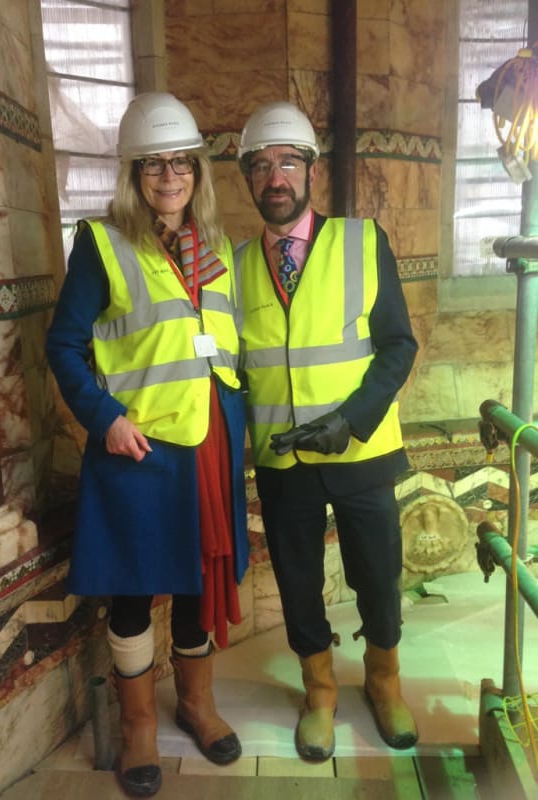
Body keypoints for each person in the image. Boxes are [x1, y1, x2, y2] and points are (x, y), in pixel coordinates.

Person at [46, 91, 249, 797]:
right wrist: (104, 418)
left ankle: (195, 702)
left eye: (181, 163)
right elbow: (64, 345)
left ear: (198, 170)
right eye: (153, 165)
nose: (169, 177)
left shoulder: (218, 247)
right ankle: (138, 726)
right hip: (139, 450)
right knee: (135, 593)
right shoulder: (102, 244)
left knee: (196, 583)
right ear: (133, 174)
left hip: (209, 446)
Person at [234, 101, 419, 760]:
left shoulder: (363, 242)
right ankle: (319, 694)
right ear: (247, 181)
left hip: (363, 452)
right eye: (259, 167)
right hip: (284, 464)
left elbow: (399, 346)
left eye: (286, 162)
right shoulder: (233, 268)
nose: (273, 178)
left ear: (310, 170)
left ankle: (384, 683)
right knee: (298, 584)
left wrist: (353, 419)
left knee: (378, 575)